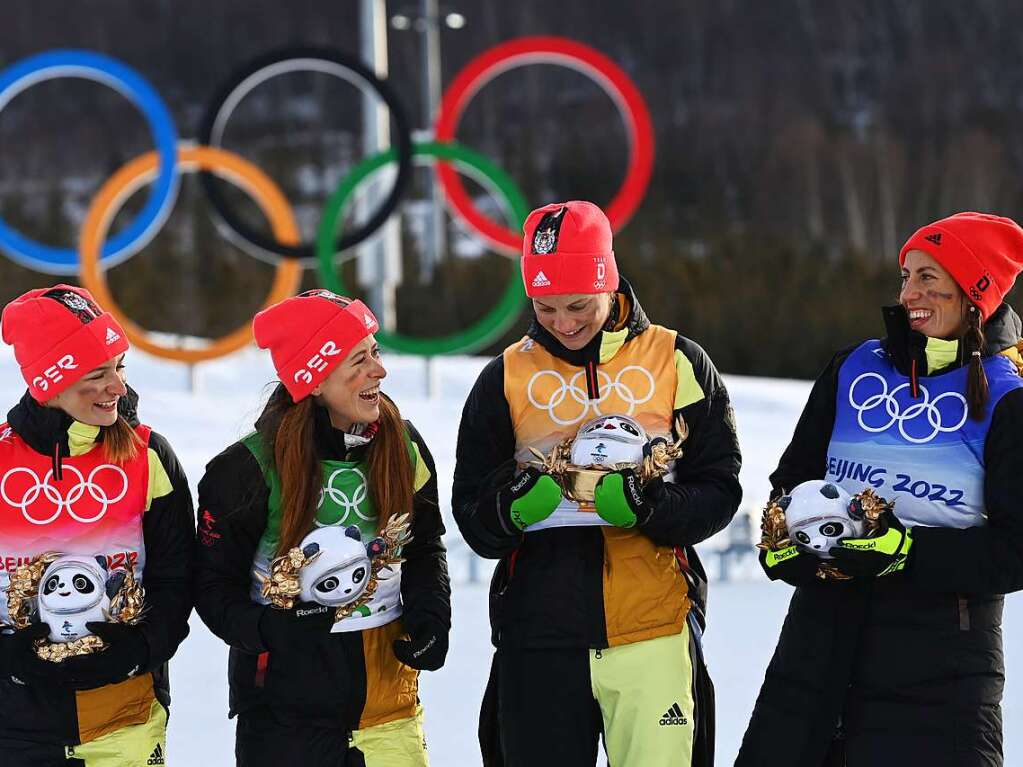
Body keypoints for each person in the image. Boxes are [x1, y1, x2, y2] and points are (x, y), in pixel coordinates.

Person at [453, 200, 742, 767]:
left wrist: (649, 507)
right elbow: (471, 514)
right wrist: (511, 508)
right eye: (545, 307)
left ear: (608, 279)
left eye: (579, 305)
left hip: (652, 627)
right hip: (540, 636)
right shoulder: (504, 377)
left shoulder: (677, 359)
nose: (563, 322)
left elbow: (720, 489)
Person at [738, 212, 1023, 766]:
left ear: (973, 295)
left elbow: (1016, 549)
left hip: (940, 675)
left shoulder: (1010, 398)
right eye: (906, 275)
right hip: (817, 652)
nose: (908, 293)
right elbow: (792, 482)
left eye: (928, 280)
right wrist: (786, 540)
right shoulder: (852, 368)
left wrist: (906, 553)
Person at [194, 289, 450, 767]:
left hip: (388, 708)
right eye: (359, 360)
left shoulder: (403, 445)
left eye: (375, 352)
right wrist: (269, 630)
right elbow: (211, 587)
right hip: (284, 721)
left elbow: (424, 546)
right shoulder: (245, 470)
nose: (379, 370)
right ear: (313, 380)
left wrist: (431, 614)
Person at [0, 285, 193, 766]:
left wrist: (139, 649)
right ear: (50, 383)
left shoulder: (148, 455)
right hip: (14, 723)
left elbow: (179, 576)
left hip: (124, 716)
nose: (118, 387)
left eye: (119, 367)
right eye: (97, 373)